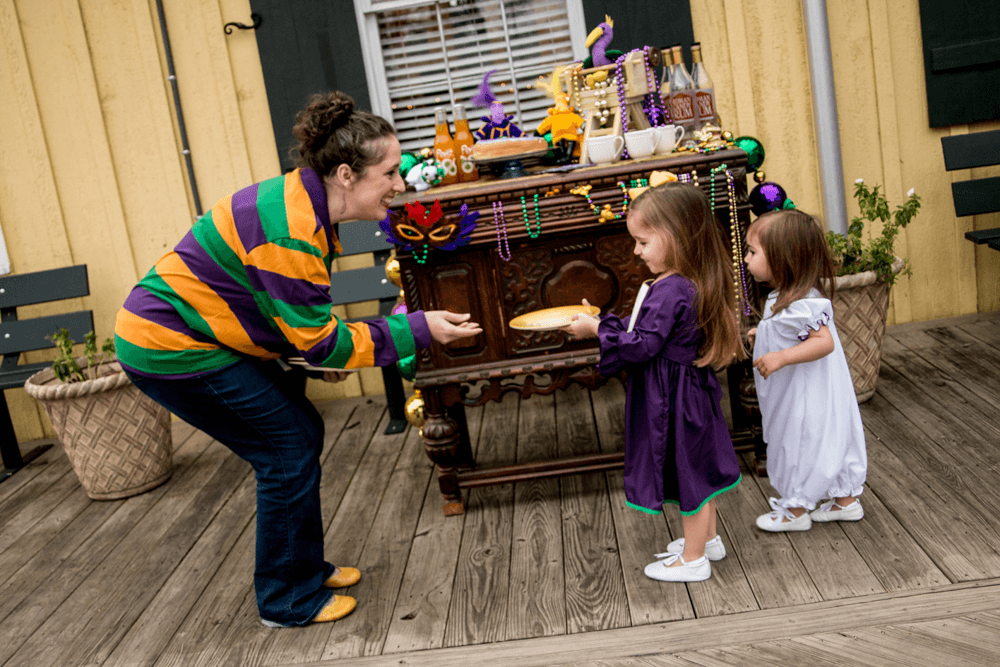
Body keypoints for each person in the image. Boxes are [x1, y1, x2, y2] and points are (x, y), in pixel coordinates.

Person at [113, 91, 481, 627]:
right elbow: (320, 341)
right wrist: (414, 329)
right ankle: (287, 599)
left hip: (208, 333)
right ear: (346, 174)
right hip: (170, 345)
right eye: (390, 173)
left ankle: (301, 566)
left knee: (297, 433)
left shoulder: (305, 206)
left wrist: (312, 344)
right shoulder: (291, 230)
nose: (400, 186)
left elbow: (281, 312)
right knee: (286, 448)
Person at [562, 183, 745, 582]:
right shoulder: (691, 280)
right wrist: (605, 325)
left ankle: (694, 559)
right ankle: (708, 540)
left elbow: (643, 346)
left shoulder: (671, 290)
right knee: (698, 466)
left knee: (688, 473)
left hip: (673, 399)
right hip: (691, 392)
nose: (636, 251)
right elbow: (645, 337)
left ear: (676, 237)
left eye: (643, 242)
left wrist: (596, 330)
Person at [743, 209, 866, 532]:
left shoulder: (803, 303)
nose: (746, 258)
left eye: (753, 252)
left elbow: (822, 342)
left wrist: (781, 357)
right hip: (811, 393)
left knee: (798, 443)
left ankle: (795, 509)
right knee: (829, 440)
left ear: (784, 259)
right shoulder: (788, 297)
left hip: (805, 397)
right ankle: (845, 500)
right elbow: (789, 329)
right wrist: (764, 333)